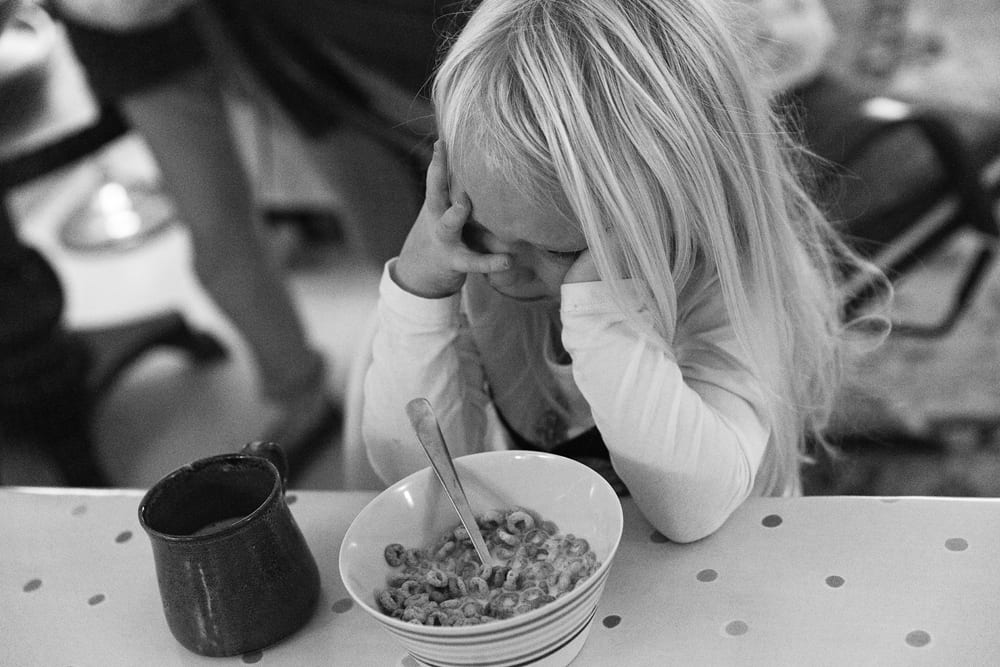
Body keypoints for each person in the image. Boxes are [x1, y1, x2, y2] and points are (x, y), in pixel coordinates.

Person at [361, 0, 887, 542]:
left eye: (564, 252)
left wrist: (601, 313)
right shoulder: (482, 256)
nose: (502, 270)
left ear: (684, 212)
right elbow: (415, 477)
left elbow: (690, 511)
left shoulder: (732, 293)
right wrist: (421, 291)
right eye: (476, 223)